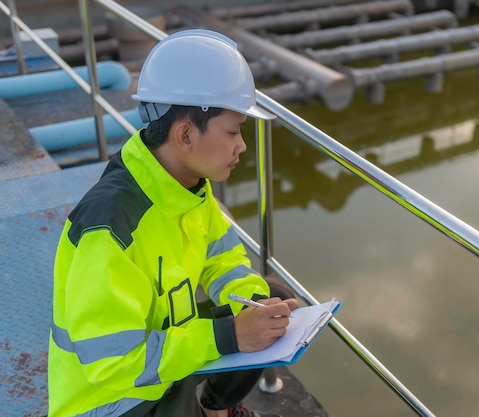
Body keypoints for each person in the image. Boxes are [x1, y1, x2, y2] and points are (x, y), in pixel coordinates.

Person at [48, 29, 298, 417]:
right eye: (233, 131)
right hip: (110, 400)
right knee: (178, 397)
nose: (242, 146)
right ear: (185, 135)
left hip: (159, 347)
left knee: (272, 292)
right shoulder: (110, 227)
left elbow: (223, 258)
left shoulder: (188, 186)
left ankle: (216, 409)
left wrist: (255, 301)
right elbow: (113, 363)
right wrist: (229, 335)